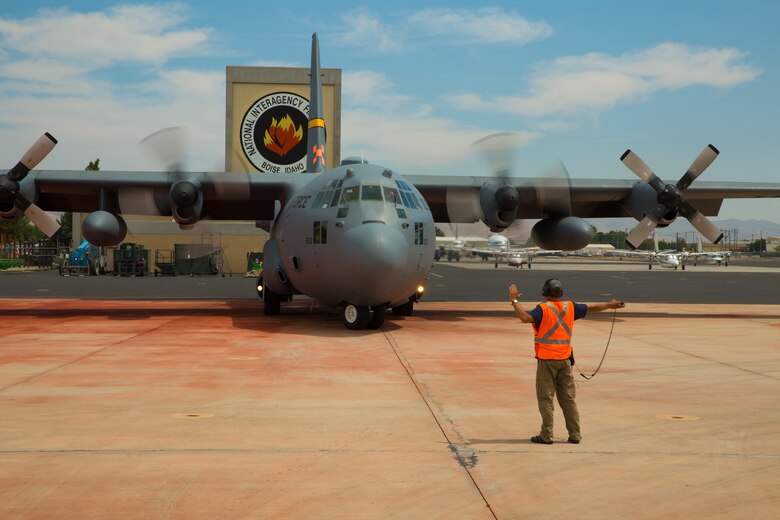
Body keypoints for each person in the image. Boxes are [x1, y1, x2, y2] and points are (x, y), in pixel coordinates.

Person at [509, 278, 625, 445]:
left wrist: (514, 300)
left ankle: (546, 435)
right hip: (564, 360)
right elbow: (591, 308)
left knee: (546, 399)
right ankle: (575, 435)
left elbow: (526, 318)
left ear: (545, 292)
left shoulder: (542, 309)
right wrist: (610, 304)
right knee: (568, 399)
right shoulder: (570, 307)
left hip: (547, 361)